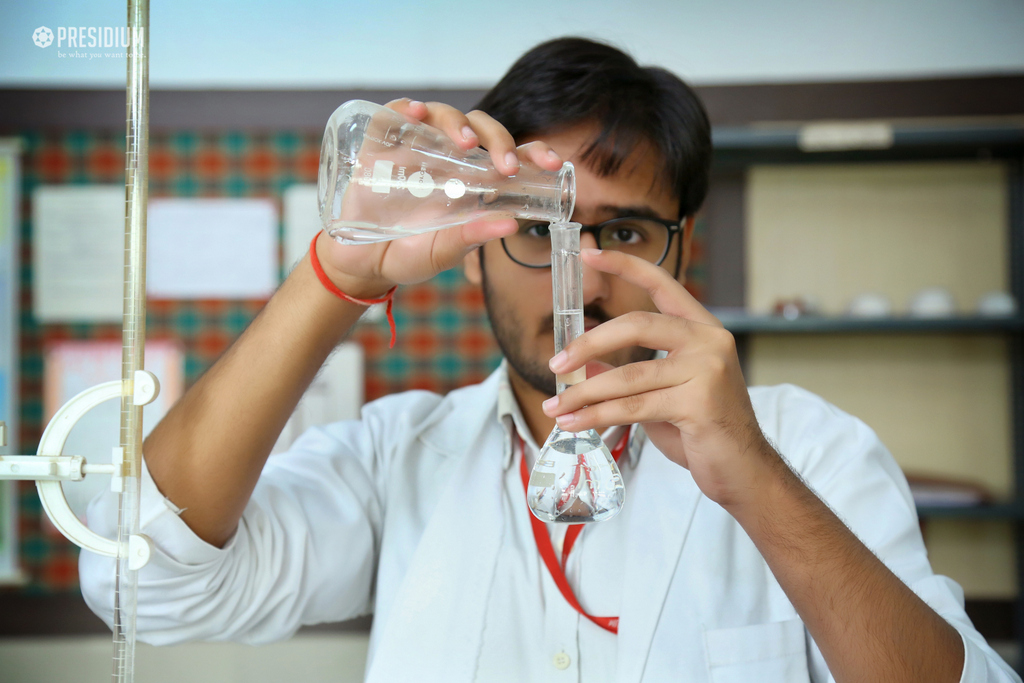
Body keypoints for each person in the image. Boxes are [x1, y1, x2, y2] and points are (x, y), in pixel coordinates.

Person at [80, 38, 1018, 682]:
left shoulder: (810, 447)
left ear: (680, 248)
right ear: (475, 242)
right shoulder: (396, 455)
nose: (584, 274)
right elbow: (137, 581)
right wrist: (337, 272)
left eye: (623, 229)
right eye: (539, 227)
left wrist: (759, 485)